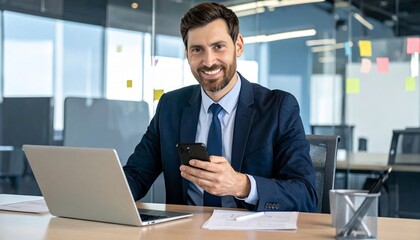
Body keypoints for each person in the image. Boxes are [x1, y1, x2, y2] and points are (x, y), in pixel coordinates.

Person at [123, 2, 317, 212]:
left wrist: (241, 185)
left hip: (250, 232)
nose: (208, 61)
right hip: (185, 230)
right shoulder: (171, 106)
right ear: (187, 54)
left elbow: (306, 194)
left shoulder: (279, 108)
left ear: (238, 46)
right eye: (197, 50)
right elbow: (136, 174)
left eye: (218, 47)